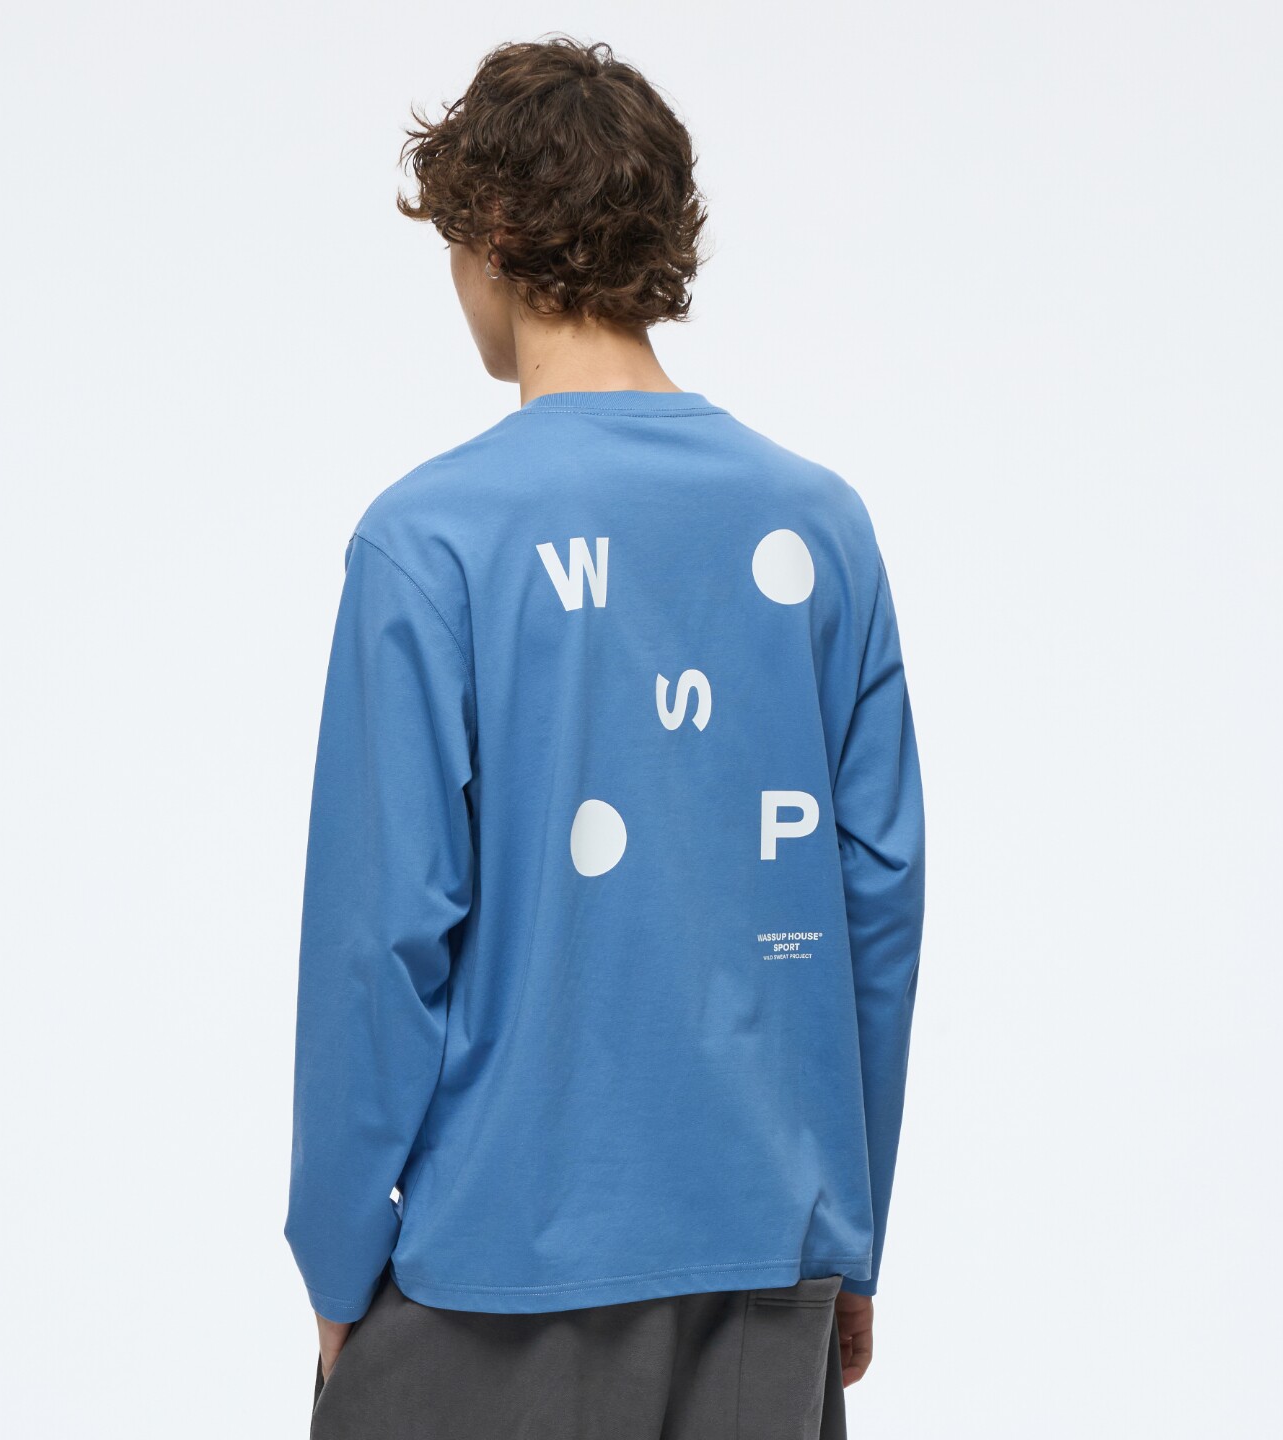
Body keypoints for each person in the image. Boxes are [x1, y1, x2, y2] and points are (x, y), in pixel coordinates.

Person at [284, 35, 926, 1440]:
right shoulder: (821, 528)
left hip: (490, 1277)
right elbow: (875, 905)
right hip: (763, 1263)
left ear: (490, 235)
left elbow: (380, 939)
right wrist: (846, 1231)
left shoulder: (430, 541)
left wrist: (333, 1256)